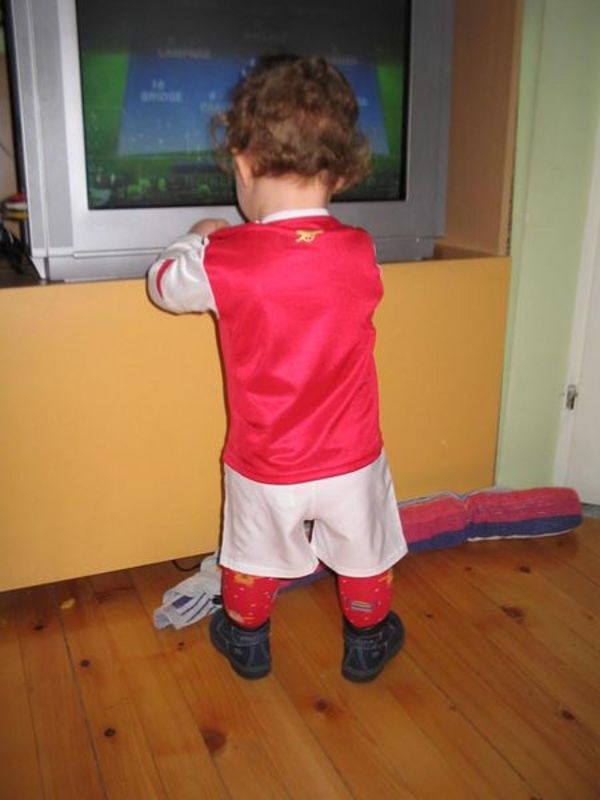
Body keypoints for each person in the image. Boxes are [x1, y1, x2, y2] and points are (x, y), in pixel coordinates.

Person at [147, 55, 407, 682]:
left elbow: (162, 285)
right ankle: (367, 640)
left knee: (251, 556)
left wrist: (199, 234)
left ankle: (247, 640)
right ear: (340, 172)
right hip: (351, 456)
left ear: (242, 164)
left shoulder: (226, 258)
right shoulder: (360, 250)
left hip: (266, 463)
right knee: (365, 553)